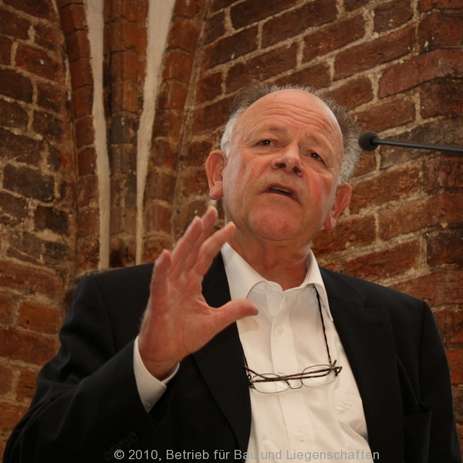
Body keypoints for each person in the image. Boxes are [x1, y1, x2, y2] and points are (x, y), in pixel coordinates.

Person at [4, 85, 460, 463]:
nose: (290, 160)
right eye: (267, 143)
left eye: (316, 155)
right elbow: (32, 454)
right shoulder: (121, 303)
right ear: (218, 174)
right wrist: (147, 363)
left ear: (336, 205)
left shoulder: (403, 327)